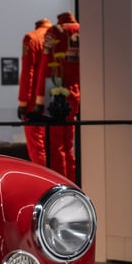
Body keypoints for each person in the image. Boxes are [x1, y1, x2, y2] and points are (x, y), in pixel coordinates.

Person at [40, 11, 82, 179]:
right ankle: (72, 181)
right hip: (76, 92)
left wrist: (39, 99)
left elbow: (45, 65)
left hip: (56, 91)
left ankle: (58, 183)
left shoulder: (55, 31)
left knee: (55, 145)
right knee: (68, 144)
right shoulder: (82, 30)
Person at [18, 17, 53, 167]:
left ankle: (44, 182)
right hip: (55, 99)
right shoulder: (55, 37)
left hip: (33, 102)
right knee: (56, 147)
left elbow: (28, 72)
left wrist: (23, 102)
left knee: (37, 147)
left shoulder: (31, 38)